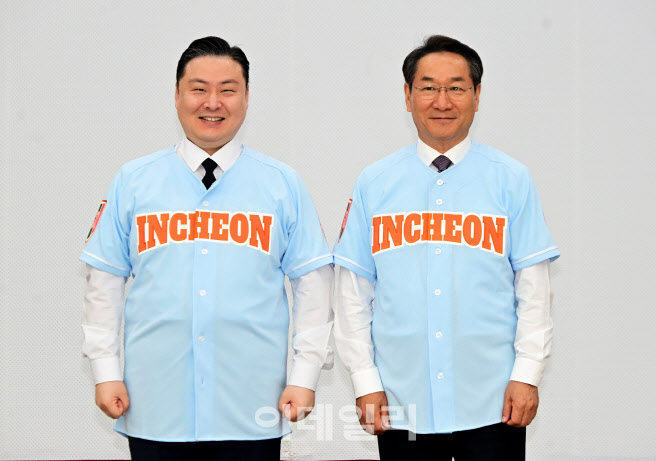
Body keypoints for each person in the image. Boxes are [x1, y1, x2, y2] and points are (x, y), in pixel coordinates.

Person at [80, 36, 333, 461]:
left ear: (246, 98)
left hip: (252, 404)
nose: (212, 103)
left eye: (227, 90)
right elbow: (103, 283)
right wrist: (104, 371)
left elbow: (314, 285)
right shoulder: (134, 180)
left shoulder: (281, 183)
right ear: (177, 96)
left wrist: (305, 374)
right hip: (155, 402)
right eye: (199, 89)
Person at [332, 35, 559, 460]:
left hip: (494, 400)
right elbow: (352, 293)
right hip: (401, 401)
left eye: (456, 87)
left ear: (477, 95)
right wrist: (365, 380)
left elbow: (534, 289)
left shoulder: (511, 179)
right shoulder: (375, 182)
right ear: (407, 95)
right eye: (428, 87)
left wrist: (528, 374)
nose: (442, 101)